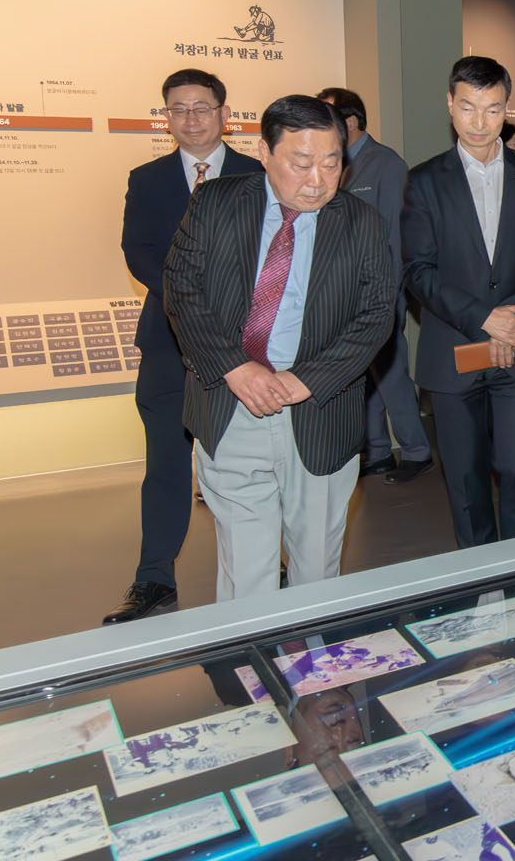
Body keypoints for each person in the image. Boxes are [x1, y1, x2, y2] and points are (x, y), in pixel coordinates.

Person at [164, 95, 394, 600]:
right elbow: (181, 288)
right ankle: (251, 650)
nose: (318, 179)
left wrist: (306, 379)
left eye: (331, 163)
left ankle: (313, 650)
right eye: (302, 162)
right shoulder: (215, 203)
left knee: (316, 565)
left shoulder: (363, 223)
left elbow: (377, 315)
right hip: (232, 403)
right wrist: (234, 367)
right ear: (264, 152)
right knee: (245, 568)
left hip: (318, 410)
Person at [105, 68, 260, 625]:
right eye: (178, 109)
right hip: (168, 345)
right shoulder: (146, 180)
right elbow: (139, 252)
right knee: (167, 467)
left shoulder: (257, 174)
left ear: (224, 113)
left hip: (243, 347)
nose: (191, 119)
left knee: (247, 466)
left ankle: (263, 565)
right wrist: (191, 302)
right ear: (166, 117)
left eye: (201, 107)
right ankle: (154, 579)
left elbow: (272, 254)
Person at [401, 57, 515, 548]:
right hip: (454, 349)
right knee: (465, 477)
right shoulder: (424, 181)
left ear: (506, 109)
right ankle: (479, 574)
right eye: (468, 107)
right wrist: (484, 318)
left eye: (492, 109)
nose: (479, 122)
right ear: (450, 104)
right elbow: (417, 269)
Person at [316, 86, 434, 485]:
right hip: (341, 291)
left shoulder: (386, 164)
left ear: (350, 121)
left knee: (390, 371)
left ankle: (416, 450)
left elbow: (396, 237)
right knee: (359, 374)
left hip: (379, 291)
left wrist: (390, 292)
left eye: (328, 117)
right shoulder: (332, 163)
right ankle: (378, 450)